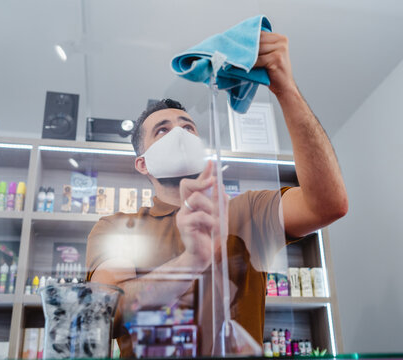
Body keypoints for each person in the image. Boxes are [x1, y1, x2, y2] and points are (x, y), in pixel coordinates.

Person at [85, 31, 348, 356]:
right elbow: (104, 313)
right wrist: (192, 260)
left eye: (188, 127)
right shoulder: (117, 227)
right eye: (162, 131)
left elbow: (327, 205)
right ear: (143, 164)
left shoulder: (246, 212)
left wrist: (286, 88)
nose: (179, 133)